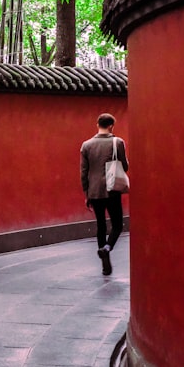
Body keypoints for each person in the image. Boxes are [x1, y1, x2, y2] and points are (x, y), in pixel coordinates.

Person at [80, 113, 128, 276]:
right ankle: (108, 247)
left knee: (101, 225)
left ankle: (103, 259)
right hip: (112, 188)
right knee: (117, 225)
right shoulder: (118, 142)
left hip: (94, 191)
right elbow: (125, 166)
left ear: (97, 124)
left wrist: (86, 193)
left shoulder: (86, 145)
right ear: (111, 126)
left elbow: (83, 172)